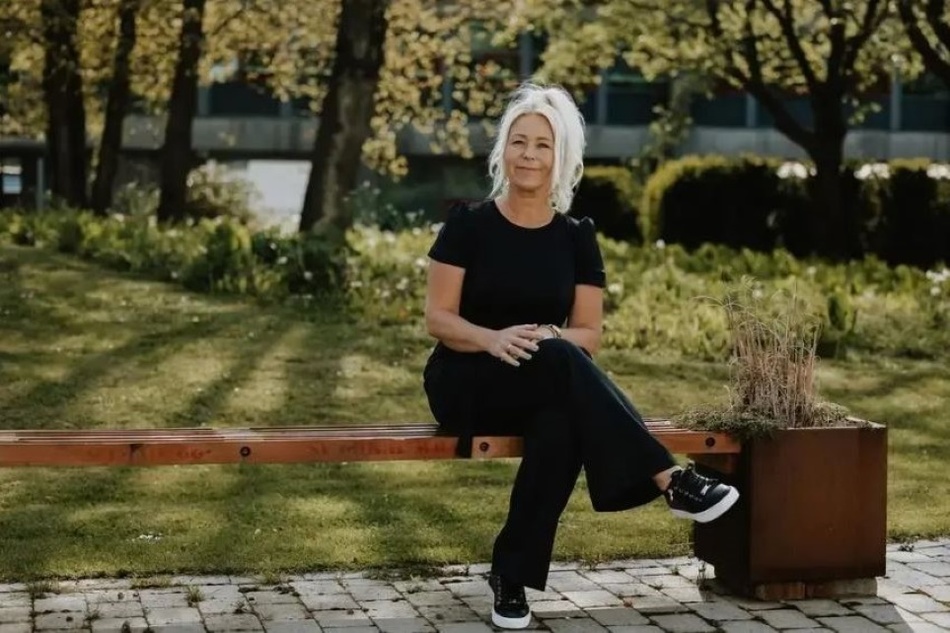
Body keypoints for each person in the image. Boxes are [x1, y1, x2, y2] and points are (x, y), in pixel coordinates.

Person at [421, 82, 739, 630]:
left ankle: (511, 576)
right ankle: (670, 478)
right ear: (503, 151)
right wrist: (493, 339)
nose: (528, 154)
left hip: (543, 382)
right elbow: (438, 319)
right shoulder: (467, 225)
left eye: (542, 145)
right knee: (564, 365)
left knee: (562, 417)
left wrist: (547, 336)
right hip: (468, 379)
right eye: (519, 142)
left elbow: (588, 334)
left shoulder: (575, 237)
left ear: (561, 157)